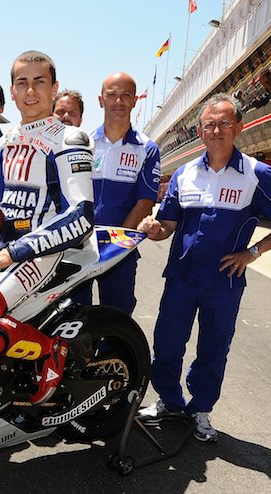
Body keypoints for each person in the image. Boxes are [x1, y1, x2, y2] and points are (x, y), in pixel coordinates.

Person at [138, 93, 271, 442]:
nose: (216, 130)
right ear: (200, 131)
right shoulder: (184, 174)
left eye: (224, 123)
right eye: (209, 124)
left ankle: (201, 409)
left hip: (224, 282)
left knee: (214, 348)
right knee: (168, 342)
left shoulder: (256, 174)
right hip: (182, 278)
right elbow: (168, 224)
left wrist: (253, 253)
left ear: (239, 127)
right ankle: (169, 401)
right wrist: (155, 230)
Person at [0, 51, 96, 405]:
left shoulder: (70, 139)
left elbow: (82, 216)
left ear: (54, 88)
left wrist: (12, 252)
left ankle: (51, 353)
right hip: (4, 249)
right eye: (22, 83)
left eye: (39, 81)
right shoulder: (5, 141)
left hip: (45, 252)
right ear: (12, 93)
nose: (30, 91)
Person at [89, 72, 161, 315]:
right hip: (80, 247)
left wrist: (116, 245)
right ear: (101, 100)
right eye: (112, 95)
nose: (118, 101)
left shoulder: (147, 149)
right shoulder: (83, 143)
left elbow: (145, 202)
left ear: (134, 101)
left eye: (125, 96)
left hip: (121, 250)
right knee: (75, 318)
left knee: (115, 319)